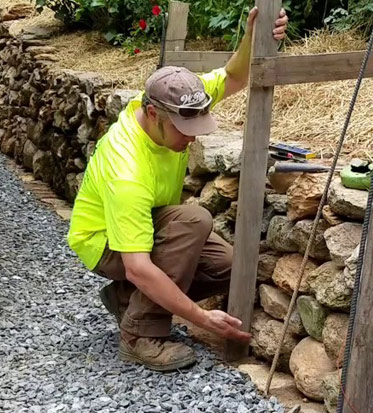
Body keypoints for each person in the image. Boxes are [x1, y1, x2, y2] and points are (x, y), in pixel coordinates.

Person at [66, 7, 288, 371]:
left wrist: (254, 34)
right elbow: (137, 266)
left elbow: (234, 76)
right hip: (103, 240)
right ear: (153, 115)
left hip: (145, 222)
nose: (194, 135)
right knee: (194, 220)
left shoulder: (178, 103)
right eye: (186, 129)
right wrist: (200, 318)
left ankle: (128, 300)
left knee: (230, 267)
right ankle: (140, 335)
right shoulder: (127, 170)